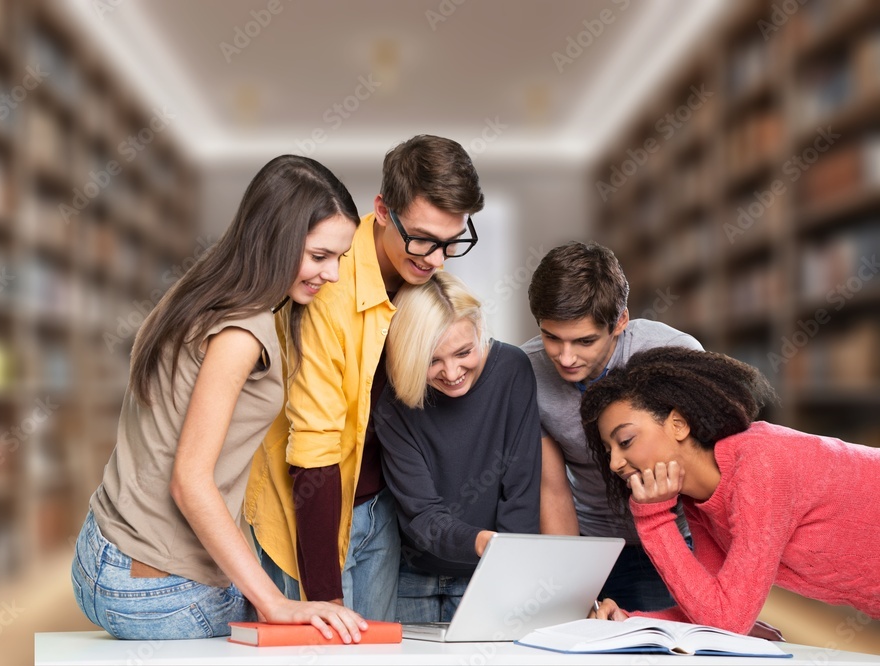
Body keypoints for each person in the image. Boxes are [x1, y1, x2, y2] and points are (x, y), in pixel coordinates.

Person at [70, 155, 368, 642]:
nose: (332, 274)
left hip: (100, 554)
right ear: (274, 240)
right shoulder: (243, 331)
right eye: (318, 256)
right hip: (158, 589)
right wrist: (274, 603)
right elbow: (189, 481)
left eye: (340, 257)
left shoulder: (198, 290)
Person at [245, 135, 484, 621]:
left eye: (450, 242)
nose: (435, 260)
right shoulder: (327, 288)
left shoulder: (424, 276)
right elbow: (314, 447)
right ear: (381, 209)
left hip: (380, 508)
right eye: (421, 238)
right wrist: (324, 598)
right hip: (309, 510)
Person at [582, 346, 880, 634]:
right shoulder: (699, 500)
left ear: (678, 424)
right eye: (609, 452)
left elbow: (727, 620)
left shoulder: (760, 464)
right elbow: (711, 607)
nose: (615, 464)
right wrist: (629, 620)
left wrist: (652, 519)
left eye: (626, 441)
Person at [519, 241, 702, 612]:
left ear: (620, 321)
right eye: (552, 337)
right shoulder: (527, 372)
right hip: (590, 545)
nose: (565, 358)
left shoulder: (675, 356)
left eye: (584, 341)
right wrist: (574, 586)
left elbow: (717, 469)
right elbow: (552, 489)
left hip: (675, 537)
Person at [372, 271, 541, 623]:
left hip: (489, 575)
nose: (451, 372)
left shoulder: (512, 371)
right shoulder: (393, 401)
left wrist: (506, 566)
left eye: (464, 352)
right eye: (432, 360)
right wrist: (482, 542)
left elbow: (521, 493)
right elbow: (421, 513)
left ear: (480, 329)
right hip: (410, 578)